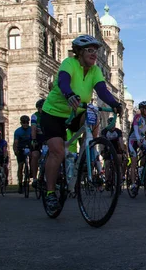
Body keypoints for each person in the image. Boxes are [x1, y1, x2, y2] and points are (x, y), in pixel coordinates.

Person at [41, 35, 122, 215]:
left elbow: (101, 90)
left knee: (92, 120)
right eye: (89, 50)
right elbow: (63, 80)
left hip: (77, 112)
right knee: (58, 151)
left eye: (96, 50)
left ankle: (87, 153)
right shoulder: (69, 63)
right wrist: (69, 93)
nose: (94, 54)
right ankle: (50, 193)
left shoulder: (95, 71)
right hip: (53, 113)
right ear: (79, 52)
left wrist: (115, 104)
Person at [101, 116, 128, 186]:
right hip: (107, 147)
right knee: (107, 164)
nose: (113, 126)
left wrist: (123, 150)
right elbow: (102, 142)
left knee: (119, 160)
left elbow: (121, 141)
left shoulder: (118, 131)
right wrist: (102, 151)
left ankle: (119, 176)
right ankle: (107, 180)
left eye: (114, 125)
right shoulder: (104, 131)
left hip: (116, 147)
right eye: (111, 125)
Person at [13, 115, 32, 194]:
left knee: (32, 158)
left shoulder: (31, 130)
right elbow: (16, 142)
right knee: (20, 166)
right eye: (24, 122)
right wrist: (15, 150)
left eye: (27, 122)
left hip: (29, 147)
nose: (25, 124)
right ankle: (20, 184)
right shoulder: (18, 131)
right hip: (21, 148)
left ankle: (30, 173)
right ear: (21, 123)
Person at [30, 99, 45, 189]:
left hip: (46, 138)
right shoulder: (35, 116)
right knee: (35, 155)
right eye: (41, 108)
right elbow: (33, 128)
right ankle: (35, 178)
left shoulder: (48, 115)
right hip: (37, 138)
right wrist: (34, 139)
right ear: (38, 108)